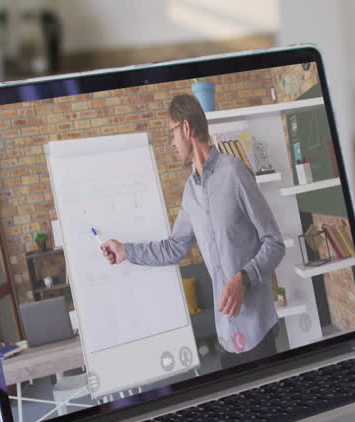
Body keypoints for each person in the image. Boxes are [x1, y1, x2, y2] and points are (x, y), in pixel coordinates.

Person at [101, 94, 286, 366]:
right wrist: (125, 251)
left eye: (171, 134)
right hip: (226, 335)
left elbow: (274, 243)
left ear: (186, 129)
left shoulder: (234, 173)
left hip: (258, 331)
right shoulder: (190, 193)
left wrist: (243, 278)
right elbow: (174, 248)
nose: (171, 144)